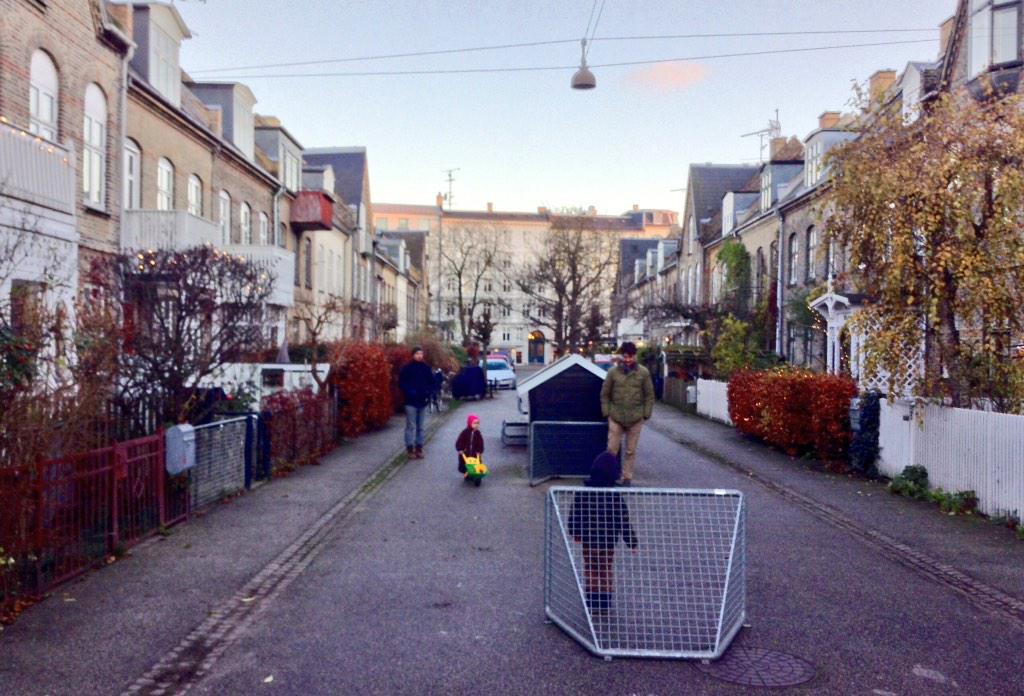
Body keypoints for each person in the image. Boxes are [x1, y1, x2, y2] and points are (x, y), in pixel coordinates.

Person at [568, 452, 638, 612]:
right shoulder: (614, 496)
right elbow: (623, 521)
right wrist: (632, 542)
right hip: (607, 543)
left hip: (589, 542)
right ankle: (605, 602)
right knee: (605, 570)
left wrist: (575, 532)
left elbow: (575, 514)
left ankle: (592, 601)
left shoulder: (582, 493)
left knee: (591, 569)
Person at [600, 341, 655, 486]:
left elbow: (649, 395)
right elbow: (605, 394)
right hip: (616, 416)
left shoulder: (643, 373)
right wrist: (607, 413)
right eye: (625, 356)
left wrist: (645, 414)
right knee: (612, 449)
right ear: (622, 356)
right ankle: (609, 476)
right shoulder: (613, 372)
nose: (628, 360)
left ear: (635, 356)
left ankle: (627, 478)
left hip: (636, 417)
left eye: (631, 357)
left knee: (631, 450)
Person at [399, 347, 434, 458]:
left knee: (421, 426)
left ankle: (419, 447)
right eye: (417, 353)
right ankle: (410, 449)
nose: (419, 356)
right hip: (410, 401)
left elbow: (432, 382)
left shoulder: (426, 368)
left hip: (422, 401)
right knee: (410, 426)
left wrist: (428, 392)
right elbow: (401, 383)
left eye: (421, 353)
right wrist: (409, 391)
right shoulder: (407, 368)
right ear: (413, 355)